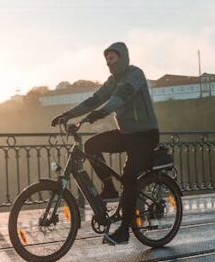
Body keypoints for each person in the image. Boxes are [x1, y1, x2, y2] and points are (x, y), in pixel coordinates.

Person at [51, 42, 159, 245]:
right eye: (107, 59)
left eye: (113, 58)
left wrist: (100, 113)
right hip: (127, 133)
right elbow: (94, 99)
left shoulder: (135, 74)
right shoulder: (112, 81)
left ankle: (125, 231)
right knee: (91, 146)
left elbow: (119, 99)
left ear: (123, 57)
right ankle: (109, 187)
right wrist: (67, 115)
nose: (109, 62)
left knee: (128, 179)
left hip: (145, 135)